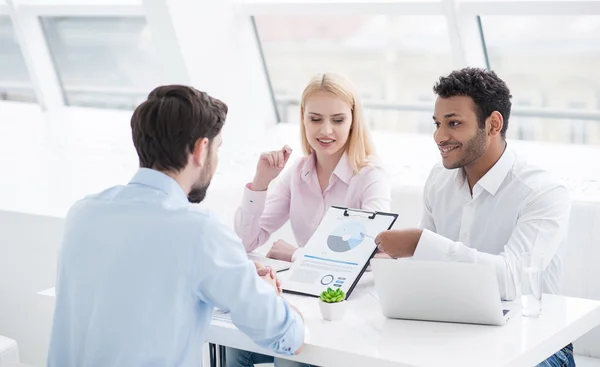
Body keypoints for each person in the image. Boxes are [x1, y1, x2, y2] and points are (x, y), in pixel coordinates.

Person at [47, 85, 305, 367]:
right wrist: (264, 289)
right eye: (218, 148)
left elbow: (144, 292)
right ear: (201, 149)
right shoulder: (199, 231)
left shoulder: (83, 214)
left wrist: (232, 275)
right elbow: (286, 336)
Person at [374, 67, 573, 367]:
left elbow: (512, 279)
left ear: (493, 124)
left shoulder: (542, 192)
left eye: (453, 123)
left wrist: (420, 244)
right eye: (437, 123)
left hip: (537, 346)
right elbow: (429, 270)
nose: (440, 136)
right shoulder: (438, 180)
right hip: (458, 334)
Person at [227, 73, 391, 367]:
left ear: (353, 120)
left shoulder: (370, 176)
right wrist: (261, 182)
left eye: (338, 120)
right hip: (302, 300)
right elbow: (245, 241)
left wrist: (296, 254)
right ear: (303, 118)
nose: (326, 130)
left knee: (288, 357)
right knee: (233, 345)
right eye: (316, 119)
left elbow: (368, 257)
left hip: (348, 311)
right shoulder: (298, 172)